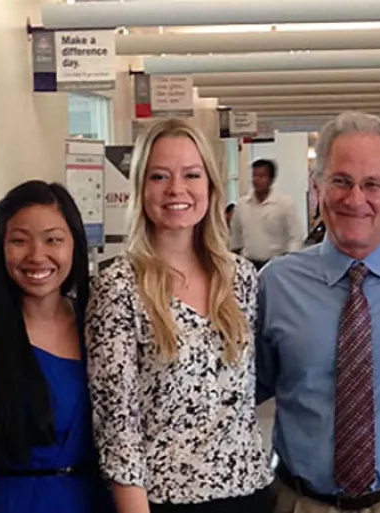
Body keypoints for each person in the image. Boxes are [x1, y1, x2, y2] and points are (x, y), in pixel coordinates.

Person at [257, 111, 380, 513]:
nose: (355, 199)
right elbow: (247, 391)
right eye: (340, 181)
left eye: (372, 185)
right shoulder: (276, 284)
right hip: (301, 502)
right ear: (317, 186)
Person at [86, 117, 273, 513]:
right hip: (164, 501)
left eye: (191, 174)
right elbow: (119, 428)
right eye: (159, 176)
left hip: (249, 491)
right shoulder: (118, 287)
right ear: (140, 187)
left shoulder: (238, 277)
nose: (177, 189)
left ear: (210, 185)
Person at [0, 180, 115, 513]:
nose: (37, 256)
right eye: (19, 241)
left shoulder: (101, 327)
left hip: (95, 499)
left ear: (74, 246)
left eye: (53, 240)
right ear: (1, 249)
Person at [229, 158, 304, 270]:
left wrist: (289, 262)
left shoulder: (285, 204)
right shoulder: (242, 205)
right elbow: (235, 237)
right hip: (249, 264)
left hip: (276, 264)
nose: (257, 180)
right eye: (254, 176)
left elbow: (296, 237)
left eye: (262, 176)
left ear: (271, 179)